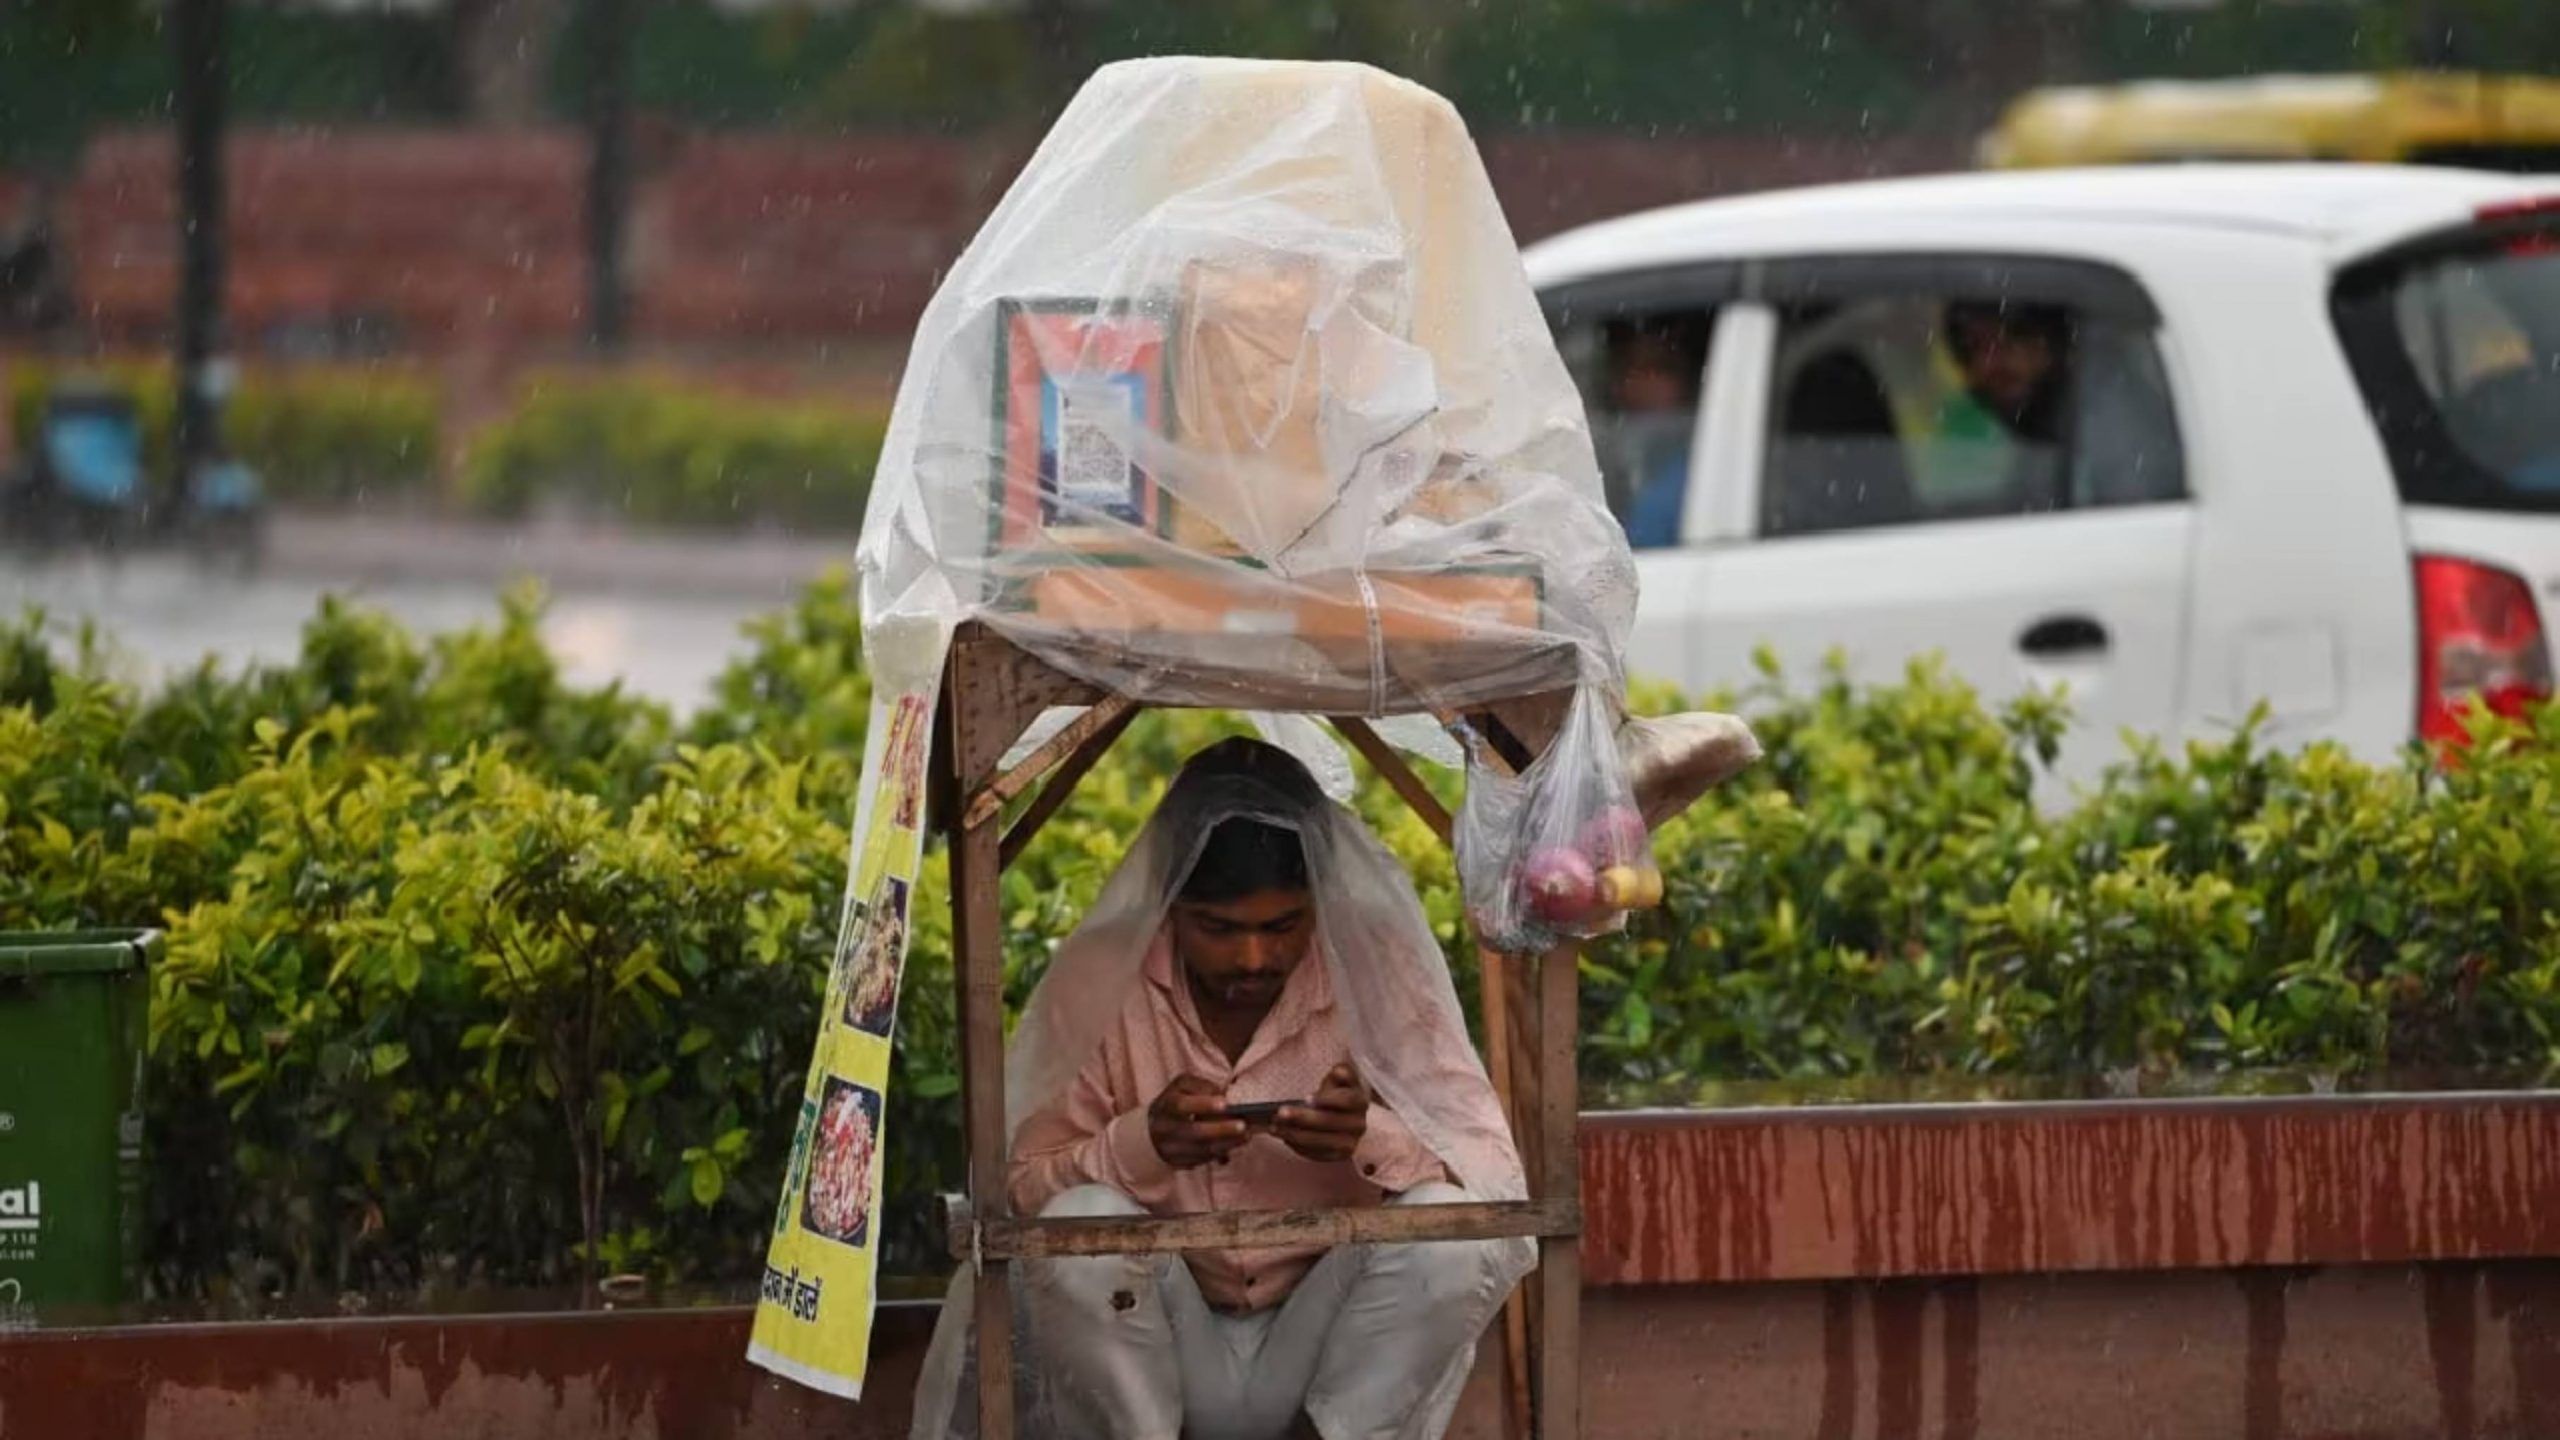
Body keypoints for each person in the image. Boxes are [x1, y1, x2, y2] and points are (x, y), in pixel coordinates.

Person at [1002, 737, 1519, 1440]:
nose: (1253, 958)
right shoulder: (1103, 980)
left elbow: (1490, 1180)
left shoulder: (1373, 965)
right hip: (1162, 1342)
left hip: (1326, 1341)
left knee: (1450, 1233)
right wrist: (1141, 1146)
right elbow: (1022, 1193)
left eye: (1283, 926)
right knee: (1079, 1221)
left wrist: (1364, 1137)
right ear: (1171, 902)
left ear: (1319, 901)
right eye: (1218, 929)